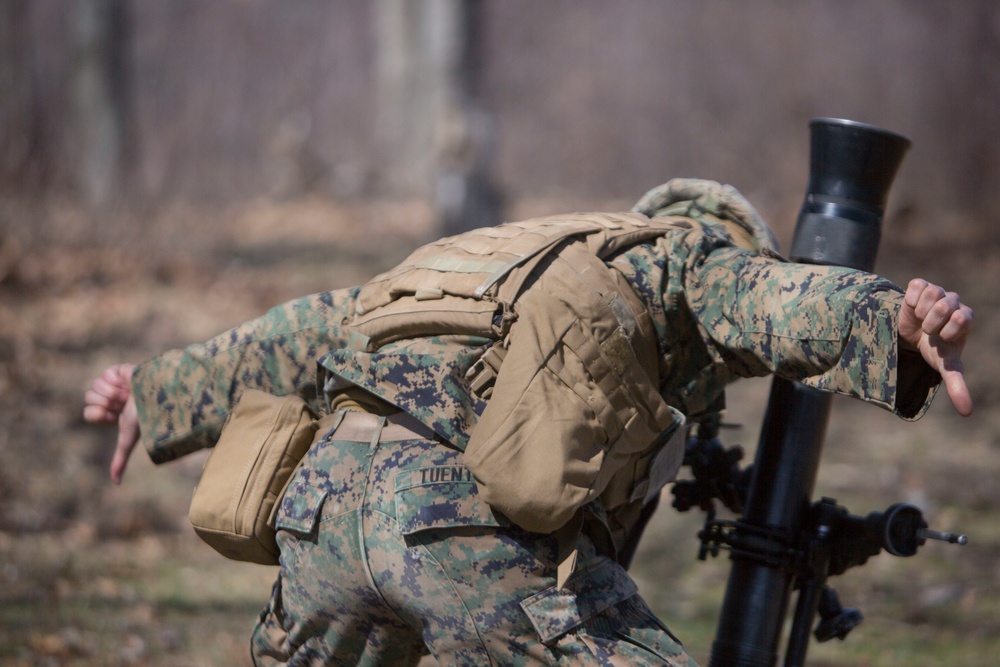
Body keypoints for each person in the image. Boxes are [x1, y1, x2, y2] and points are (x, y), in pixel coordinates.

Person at [83, 179, 973, 666]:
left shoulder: (484, 255)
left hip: (315, 520)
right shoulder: (684, 254)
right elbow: (778, 300)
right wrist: (891, 321)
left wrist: (156, 393)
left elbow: (302, 330)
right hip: (458, 527)